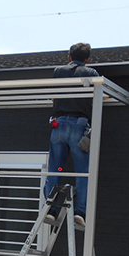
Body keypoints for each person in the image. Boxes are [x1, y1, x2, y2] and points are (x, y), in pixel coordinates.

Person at [43, 43, 100, 228]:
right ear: (87, 59)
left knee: (57, 169)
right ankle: (80, 213)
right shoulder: (91, 73)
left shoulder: (58, 71)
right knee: (82, 172)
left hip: (58, 125)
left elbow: (54, 95)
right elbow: (97, 95)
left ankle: (51, 210)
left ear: (69, 57)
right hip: (78, 126)